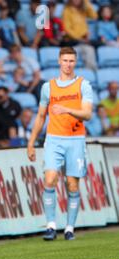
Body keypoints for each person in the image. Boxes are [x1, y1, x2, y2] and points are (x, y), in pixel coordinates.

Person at [27, 46, 93, 241]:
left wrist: (66, 109)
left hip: (76, 140)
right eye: (65, 60)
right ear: (58, 61)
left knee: (72, 185)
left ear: (75, 62)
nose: (68, 64)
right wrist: (31, 143)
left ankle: (70, 227)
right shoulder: (48, 87)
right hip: (54, 139)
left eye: (71, 61)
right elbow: (40, 116)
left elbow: (87, 114)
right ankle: (50, 226)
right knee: (50, 179)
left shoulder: (83, 85)